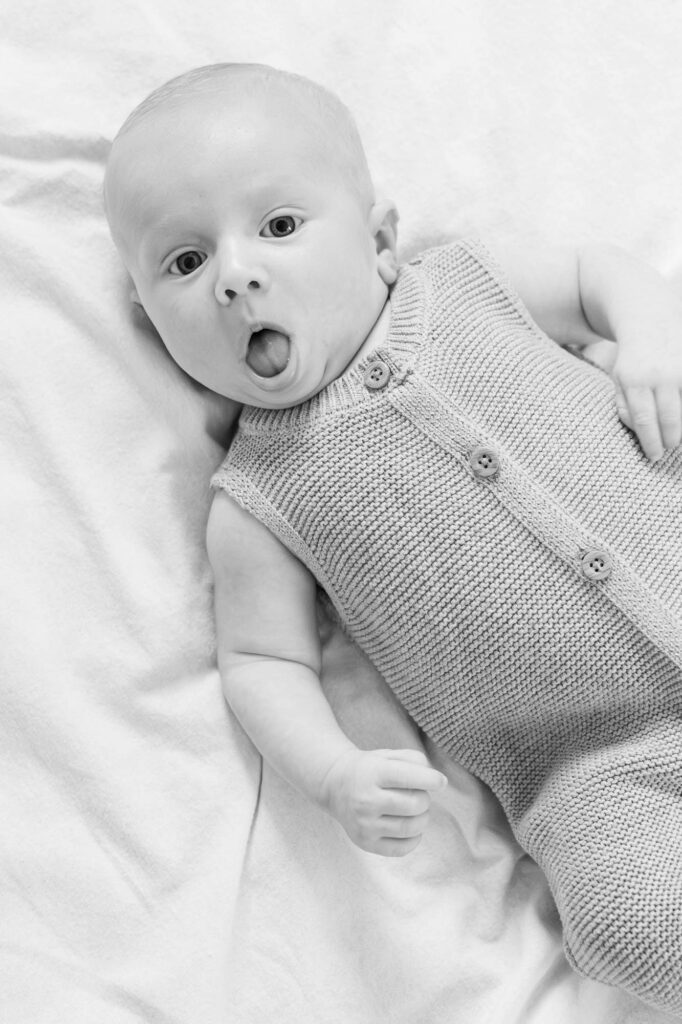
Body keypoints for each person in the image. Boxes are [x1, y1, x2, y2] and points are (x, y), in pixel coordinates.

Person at [104, 62, 682, 1013]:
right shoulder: (255, 498)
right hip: (594, 766)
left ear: (379, 240)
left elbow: (595, 277)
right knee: (626, 923)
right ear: (150, 323)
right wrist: (334, 773)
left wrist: (654, 331)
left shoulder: (459, 288)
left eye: (279, 227)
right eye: (184, 261)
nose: (237, 273)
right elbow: (260, 661)